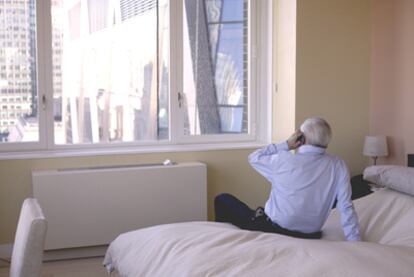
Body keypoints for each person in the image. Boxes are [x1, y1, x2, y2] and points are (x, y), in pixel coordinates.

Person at [214, 117, 361, 241]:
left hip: (273, 229)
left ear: (301, 138)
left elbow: (254, 157)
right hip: (311, 235)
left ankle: (225, 242)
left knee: (222, 199)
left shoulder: (283, 160)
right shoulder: (338, 165)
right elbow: (346, 206)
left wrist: (287, 144)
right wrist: (356, 243)